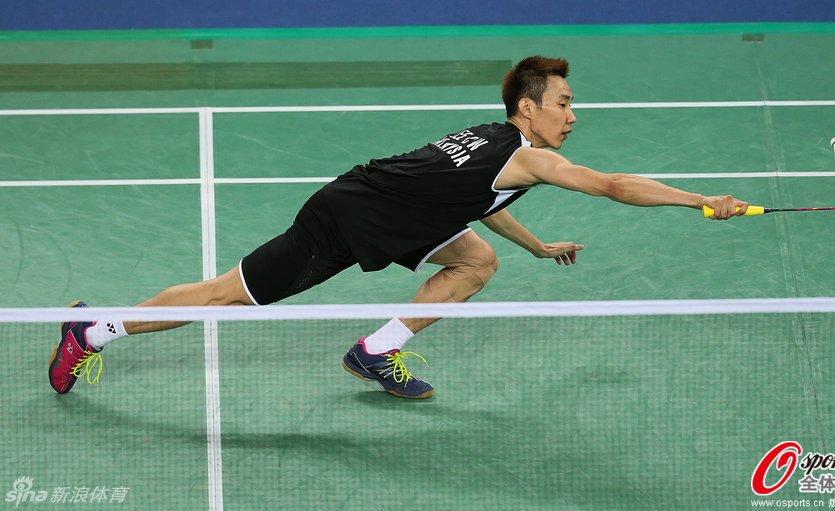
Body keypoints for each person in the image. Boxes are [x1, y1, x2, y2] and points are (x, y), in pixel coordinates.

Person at [49, 56, 747, 399]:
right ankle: (92, 330)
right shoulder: (534, 157)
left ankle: (374, 351)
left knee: (476, 262)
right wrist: (699, 201)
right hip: (344, 222)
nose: (572, 113)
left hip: (395, 215)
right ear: (527, 109)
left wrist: (538, 247)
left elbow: (475, 201)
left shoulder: (495, 141)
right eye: (563, 103)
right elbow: (615, 185)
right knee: (224, 296)